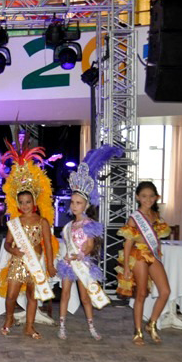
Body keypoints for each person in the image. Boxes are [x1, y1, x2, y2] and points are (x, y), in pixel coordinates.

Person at [55, 145, 121, 340]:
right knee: (65, 294)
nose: (74, 206)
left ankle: (92, 327)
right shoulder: (68, 226)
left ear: (86, 205)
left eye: (78, 203)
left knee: (85, 297)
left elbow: (90, 246)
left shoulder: (90, 224)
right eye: (72, 202)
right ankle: (62, 326)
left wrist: (81, 255)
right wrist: (68, 257)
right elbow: (68, 244)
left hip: (82, 263)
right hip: (69, 263)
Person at [0, 141, 57, 339]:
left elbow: (48, 245)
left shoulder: (43, 221)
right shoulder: (15, 222)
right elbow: (7, 243)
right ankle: (8, 319)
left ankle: (29, 326)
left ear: (34, 201)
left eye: (28, 202)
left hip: (35, 262)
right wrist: (13, 250)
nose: (25, 205)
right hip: (18, 262)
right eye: (21, 202)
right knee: (11, 294)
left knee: (32, 295)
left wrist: (50, 264)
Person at [116, 181, 172, 346]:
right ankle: (138, 331)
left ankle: (151, 324)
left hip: (152, 256)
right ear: (137, 198)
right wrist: (127, 266)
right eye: (144, 196)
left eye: (151, 196)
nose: (148, 199)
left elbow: (157, 240)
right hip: (138, 256)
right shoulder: (135, 218)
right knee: (141, 293)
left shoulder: (156, 217)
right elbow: (127, 244)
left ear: (156, 198)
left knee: (165, 291)